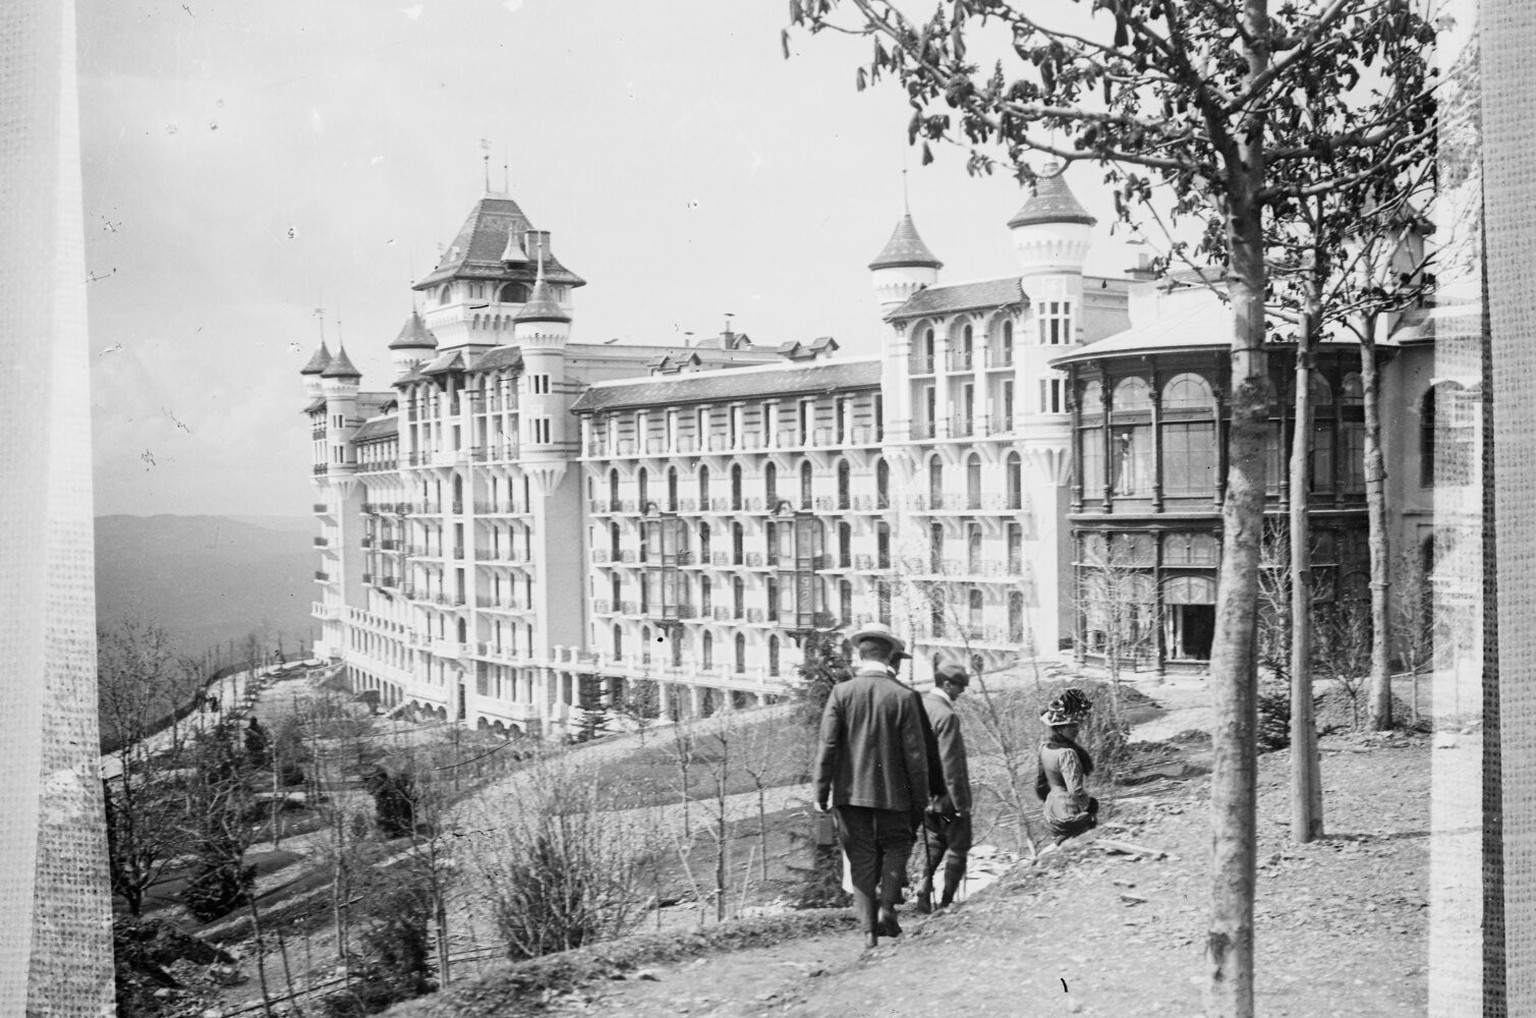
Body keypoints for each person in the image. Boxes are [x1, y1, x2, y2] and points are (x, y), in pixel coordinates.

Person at [814, 623, 930, 947]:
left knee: (861, 858)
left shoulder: (842, 693)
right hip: (895, 796)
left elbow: (827, 747)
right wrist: (920, 798)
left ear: (859, 655)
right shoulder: (904, 696)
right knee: (897, 845)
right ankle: (887, 909)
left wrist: (820, 793)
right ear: (891, 655)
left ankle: (868, 932)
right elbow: (915, 756)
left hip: (849, 795)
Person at [915, 663, 973, 912]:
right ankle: (947, 903)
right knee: (959, 846)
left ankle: (922, 886)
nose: (960, 692)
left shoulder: (919, 707)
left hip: (923, 794)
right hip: (947, 795)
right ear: (947, 684)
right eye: (959, 687)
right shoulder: (946, 715)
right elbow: (951, 763)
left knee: (936, 839)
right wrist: (961, 804)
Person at [1035, 687, 1100, 845]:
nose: (1077, 729)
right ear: (1060, 728)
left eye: (1077, 725)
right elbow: (1076, 792)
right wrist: (1090, 807)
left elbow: (1040, 785)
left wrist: (1053, 801)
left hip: (1051, 813)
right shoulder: (1067, 754)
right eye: (1071, 726)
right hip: (1069, 813)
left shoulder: (1044, 747)